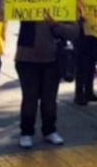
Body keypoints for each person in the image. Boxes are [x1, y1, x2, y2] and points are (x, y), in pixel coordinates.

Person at [15, 14, 79, 149]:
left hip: (52, 59)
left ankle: (49, 130)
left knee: (49, 98)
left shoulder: (61, 6)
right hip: (26, 58)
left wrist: (56, 25)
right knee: (29, 98)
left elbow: (74, 32)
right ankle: (26, 132)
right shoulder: (24, 2)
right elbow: (4, 11)